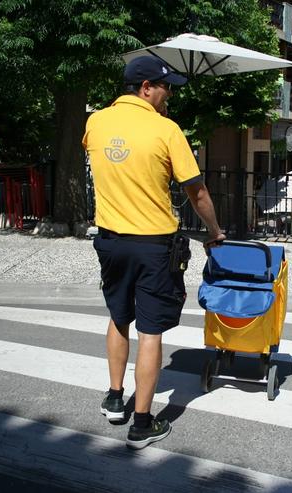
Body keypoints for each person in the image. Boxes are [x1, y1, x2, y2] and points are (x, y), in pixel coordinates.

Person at [82, 55, 225, 450]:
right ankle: (142, 423)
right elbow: (196, 191)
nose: (170, 96)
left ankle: (115, 398)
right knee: (150, 331)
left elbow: (102, 156)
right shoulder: (166, 130)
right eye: (167, 88)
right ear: (146, 88)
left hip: (110, 241)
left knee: (117, 316)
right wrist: (214, 232)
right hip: (153, 245)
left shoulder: (96, 122)